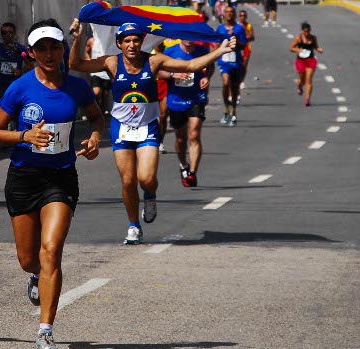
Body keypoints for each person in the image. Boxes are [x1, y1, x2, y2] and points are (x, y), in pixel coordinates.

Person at [0, 19, 103, 349]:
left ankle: (45, 332)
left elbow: (97, 119)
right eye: (42, 48)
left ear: (63, 48)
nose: (49, 54)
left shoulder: (77, 87)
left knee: (51, 250)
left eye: (54, 46)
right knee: (28, 259)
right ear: (32, 53)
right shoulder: (21, 88)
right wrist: (24, 135)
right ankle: (35, 276)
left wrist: (95, 139)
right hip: (24, 178)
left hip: (61, 177)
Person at [70, 19, 236, 244]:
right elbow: (76, 64)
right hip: (121, 127)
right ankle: (133, 226)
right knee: (128, 181)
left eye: (136, 40)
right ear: (119, 43)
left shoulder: (155, 61)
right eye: (127, 40)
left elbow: (190, 66)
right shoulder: (111, 63)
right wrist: (77, 37)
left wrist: (221, 51)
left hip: (147, 127)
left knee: (146, 178)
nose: (132, 45)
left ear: (142, 42)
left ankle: (150, 195)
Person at [159, 40, 213, 188]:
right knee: (181, 139)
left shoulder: (202, 51)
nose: (188, 39)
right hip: (176, 99)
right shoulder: (170, 51)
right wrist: (172, 74)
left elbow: (210, 66)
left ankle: (192, 173)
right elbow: (158, 71)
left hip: (196, 98)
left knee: (194, 134)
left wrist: (206, 77)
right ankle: (183, 165)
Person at [0, 22, 28, 124]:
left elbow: (30, 66)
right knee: (1, 117)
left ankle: (14, 137)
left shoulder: (21, 49)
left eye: (10, 32)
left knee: (15, 116)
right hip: (1, 87)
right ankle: (2, 137)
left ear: (14, 34)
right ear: (1, 35)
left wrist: (21, 71)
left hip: (15, 87)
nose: (7, 35)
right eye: (4, 33)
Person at [216, 6, 247, 126]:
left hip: (235, 60)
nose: (229, 14)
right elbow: (217, 44)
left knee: (234, 88)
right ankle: (226, 109)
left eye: (231, 12)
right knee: (225, 82)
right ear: (224, 14)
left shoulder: (239, 28)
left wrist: (234, 38)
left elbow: (244, 45)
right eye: (227, 12)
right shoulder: (220, 28)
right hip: (223, 60)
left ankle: (233, 110)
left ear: (234, 14)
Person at [290, 21, 323, 107]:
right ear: (302, 31)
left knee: (308, 80)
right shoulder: (298, 38)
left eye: (308, 31)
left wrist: (319, 49)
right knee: (302, 79)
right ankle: (299, 85)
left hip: (311, 60)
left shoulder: (313, 38)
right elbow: (291, 48)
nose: (307, 33)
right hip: (300, 61)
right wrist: (298, 50)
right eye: (305, 31)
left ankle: (307, 99)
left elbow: (316, 46)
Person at [85, 34, 112, 115]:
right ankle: (94, 110)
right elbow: (86, 51)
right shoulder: (92, 40)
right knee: (96, 92)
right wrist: (89, 62)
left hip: (106, 72)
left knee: (105, 94)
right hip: (96, 72)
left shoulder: (109, 40)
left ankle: (102, 113)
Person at [238, 10, 254, 90]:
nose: (242, 17)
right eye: (241, 16)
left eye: (244, 16)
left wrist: (244, 28)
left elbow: (251, 37)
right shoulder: (235, 25)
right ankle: (236, 80)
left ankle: (241, 81)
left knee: (244, 66)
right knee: (237, 65)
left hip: (246, 47)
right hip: (237, 48)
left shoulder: (249, 25)